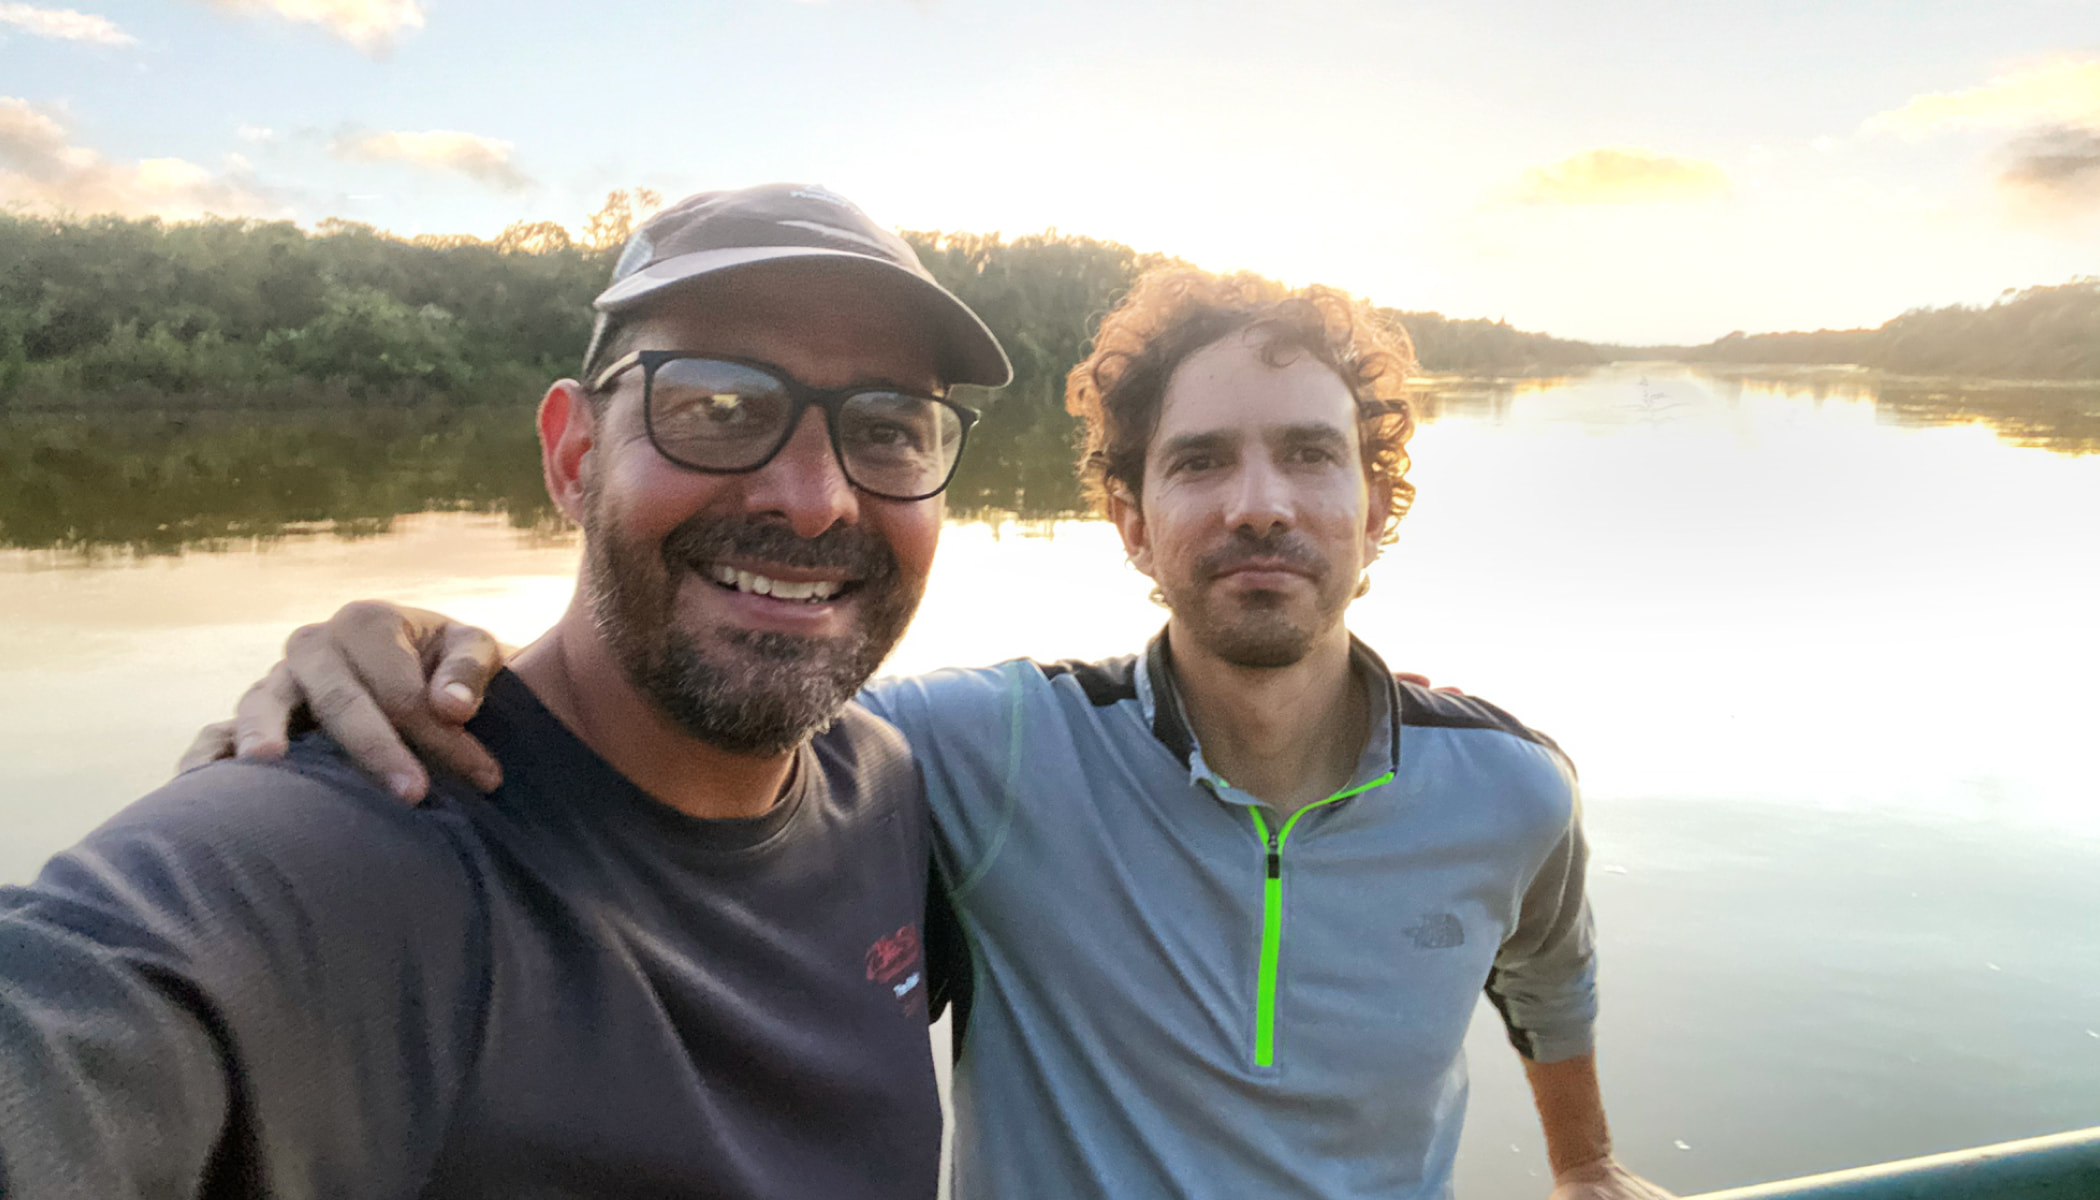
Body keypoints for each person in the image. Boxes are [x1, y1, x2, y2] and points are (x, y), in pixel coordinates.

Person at [198, 268, 1676, 1199]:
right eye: (1200, 462)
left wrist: (1588, 1160)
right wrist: (413, 651)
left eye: (1309, 457)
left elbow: (1547, 970)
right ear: (1131, 518)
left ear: (1375, 501)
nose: (1259, 505)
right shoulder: (989, 752)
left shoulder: (1508, 788)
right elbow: (686, 714)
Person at [0, 182, 1013, 1198]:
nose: (813, 500)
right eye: (720, 406)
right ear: (573, 456)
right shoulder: (351, 859)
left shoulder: (890, 791)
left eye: (888, 429)